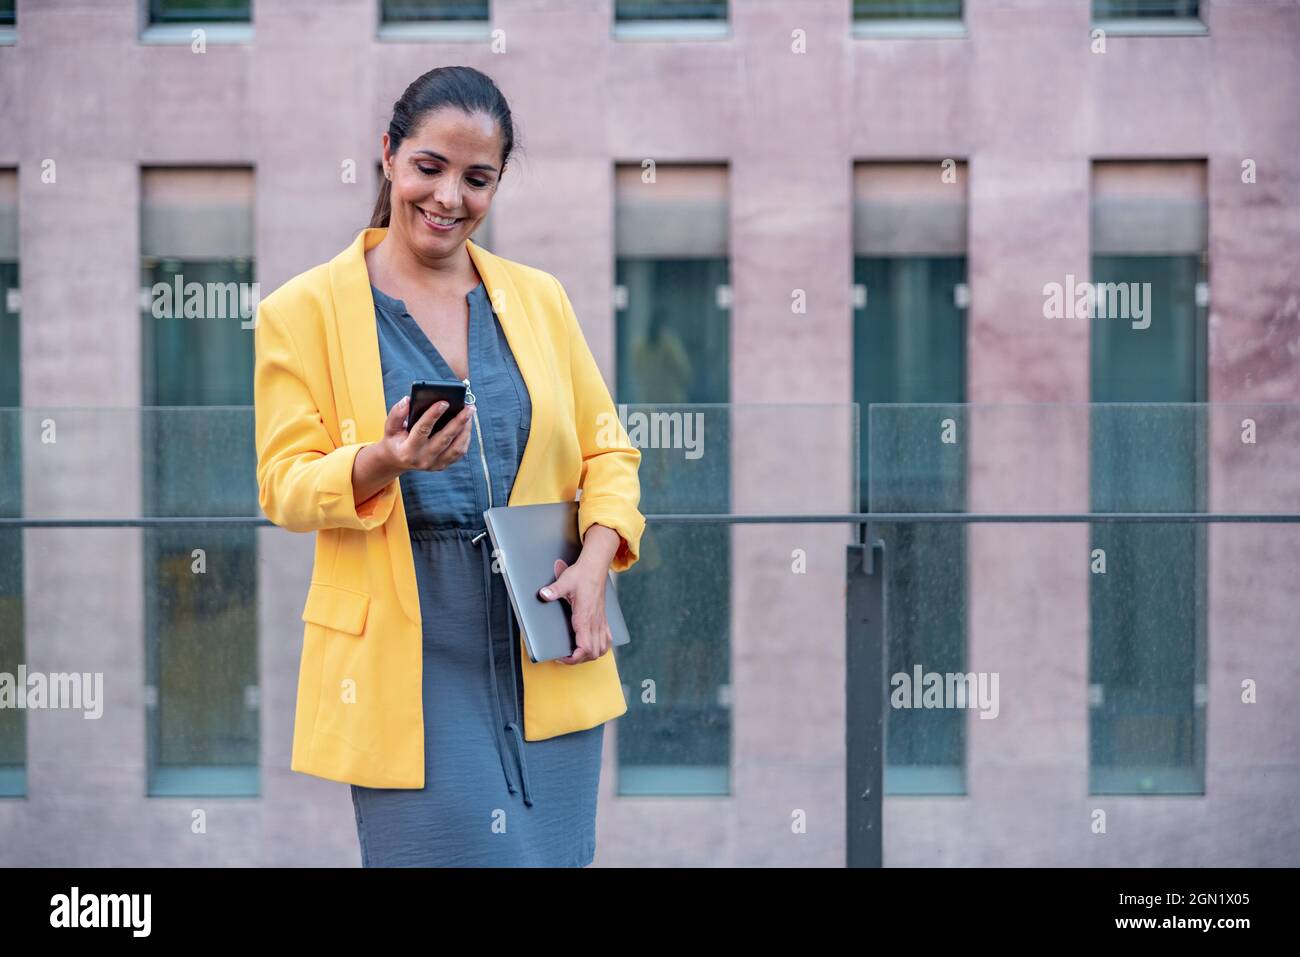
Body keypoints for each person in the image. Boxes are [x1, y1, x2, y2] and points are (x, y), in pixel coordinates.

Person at [252, 65, 645, 867]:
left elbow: (609, 449)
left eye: (478, 178)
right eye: (429, 168)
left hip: (546, 637)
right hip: (409, 658)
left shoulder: (540, 300)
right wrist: (382, 460)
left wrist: (597, 562)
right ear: (389, 155)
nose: (449, 198)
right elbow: (284, 485)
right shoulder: (303, 313)